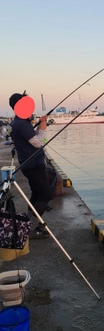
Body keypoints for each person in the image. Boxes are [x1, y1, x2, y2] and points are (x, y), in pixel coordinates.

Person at [9, 93, 52, 239]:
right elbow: (38, 142)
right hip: (33, 164)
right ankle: (33, 227)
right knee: (45, 194)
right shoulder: (21, 123)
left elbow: (32, 138)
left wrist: (40, 125)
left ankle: (28, 223)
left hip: (29, 163)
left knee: (36, 193)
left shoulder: (19, 121)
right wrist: (43, 127)